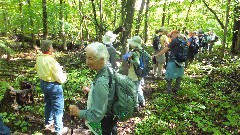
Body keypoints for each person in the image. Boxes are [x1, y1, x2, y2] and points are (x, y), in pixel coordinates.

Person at [69, 42, 118, 135]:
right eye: (86, 57)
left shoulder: (101, 81)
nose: (87, 62)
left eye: (90, 58)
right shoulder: (109, 70)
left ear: (101, 60)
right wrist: (91, 92)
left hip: (103, 125)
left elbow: (96, 115)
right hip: (111, 121)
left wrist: (77, 112)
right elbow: (108, 95)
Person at [35, 40, 68, 135]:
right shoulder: (51, 61)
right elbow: (60, 78)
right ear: (49, 49)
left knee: (48, 103)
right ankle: (59, 130)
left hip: (43, 84)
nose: (53, 48)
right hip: (53, 86)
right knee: (58, 107)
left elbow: (37, 68)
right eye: (52, 46)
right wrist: (64, 75)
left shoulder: (39, 58)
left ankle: (48, 123)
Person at [126, 36, 146, 110]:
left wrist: (130, 60)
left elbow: (136, 63)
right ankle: (142, 101)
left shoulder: (134, 53)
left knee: (134, 90)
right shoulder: (142, 50)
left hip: (134, 74)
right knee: (138, 88)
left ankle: (135, 106)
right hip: (140, 73)